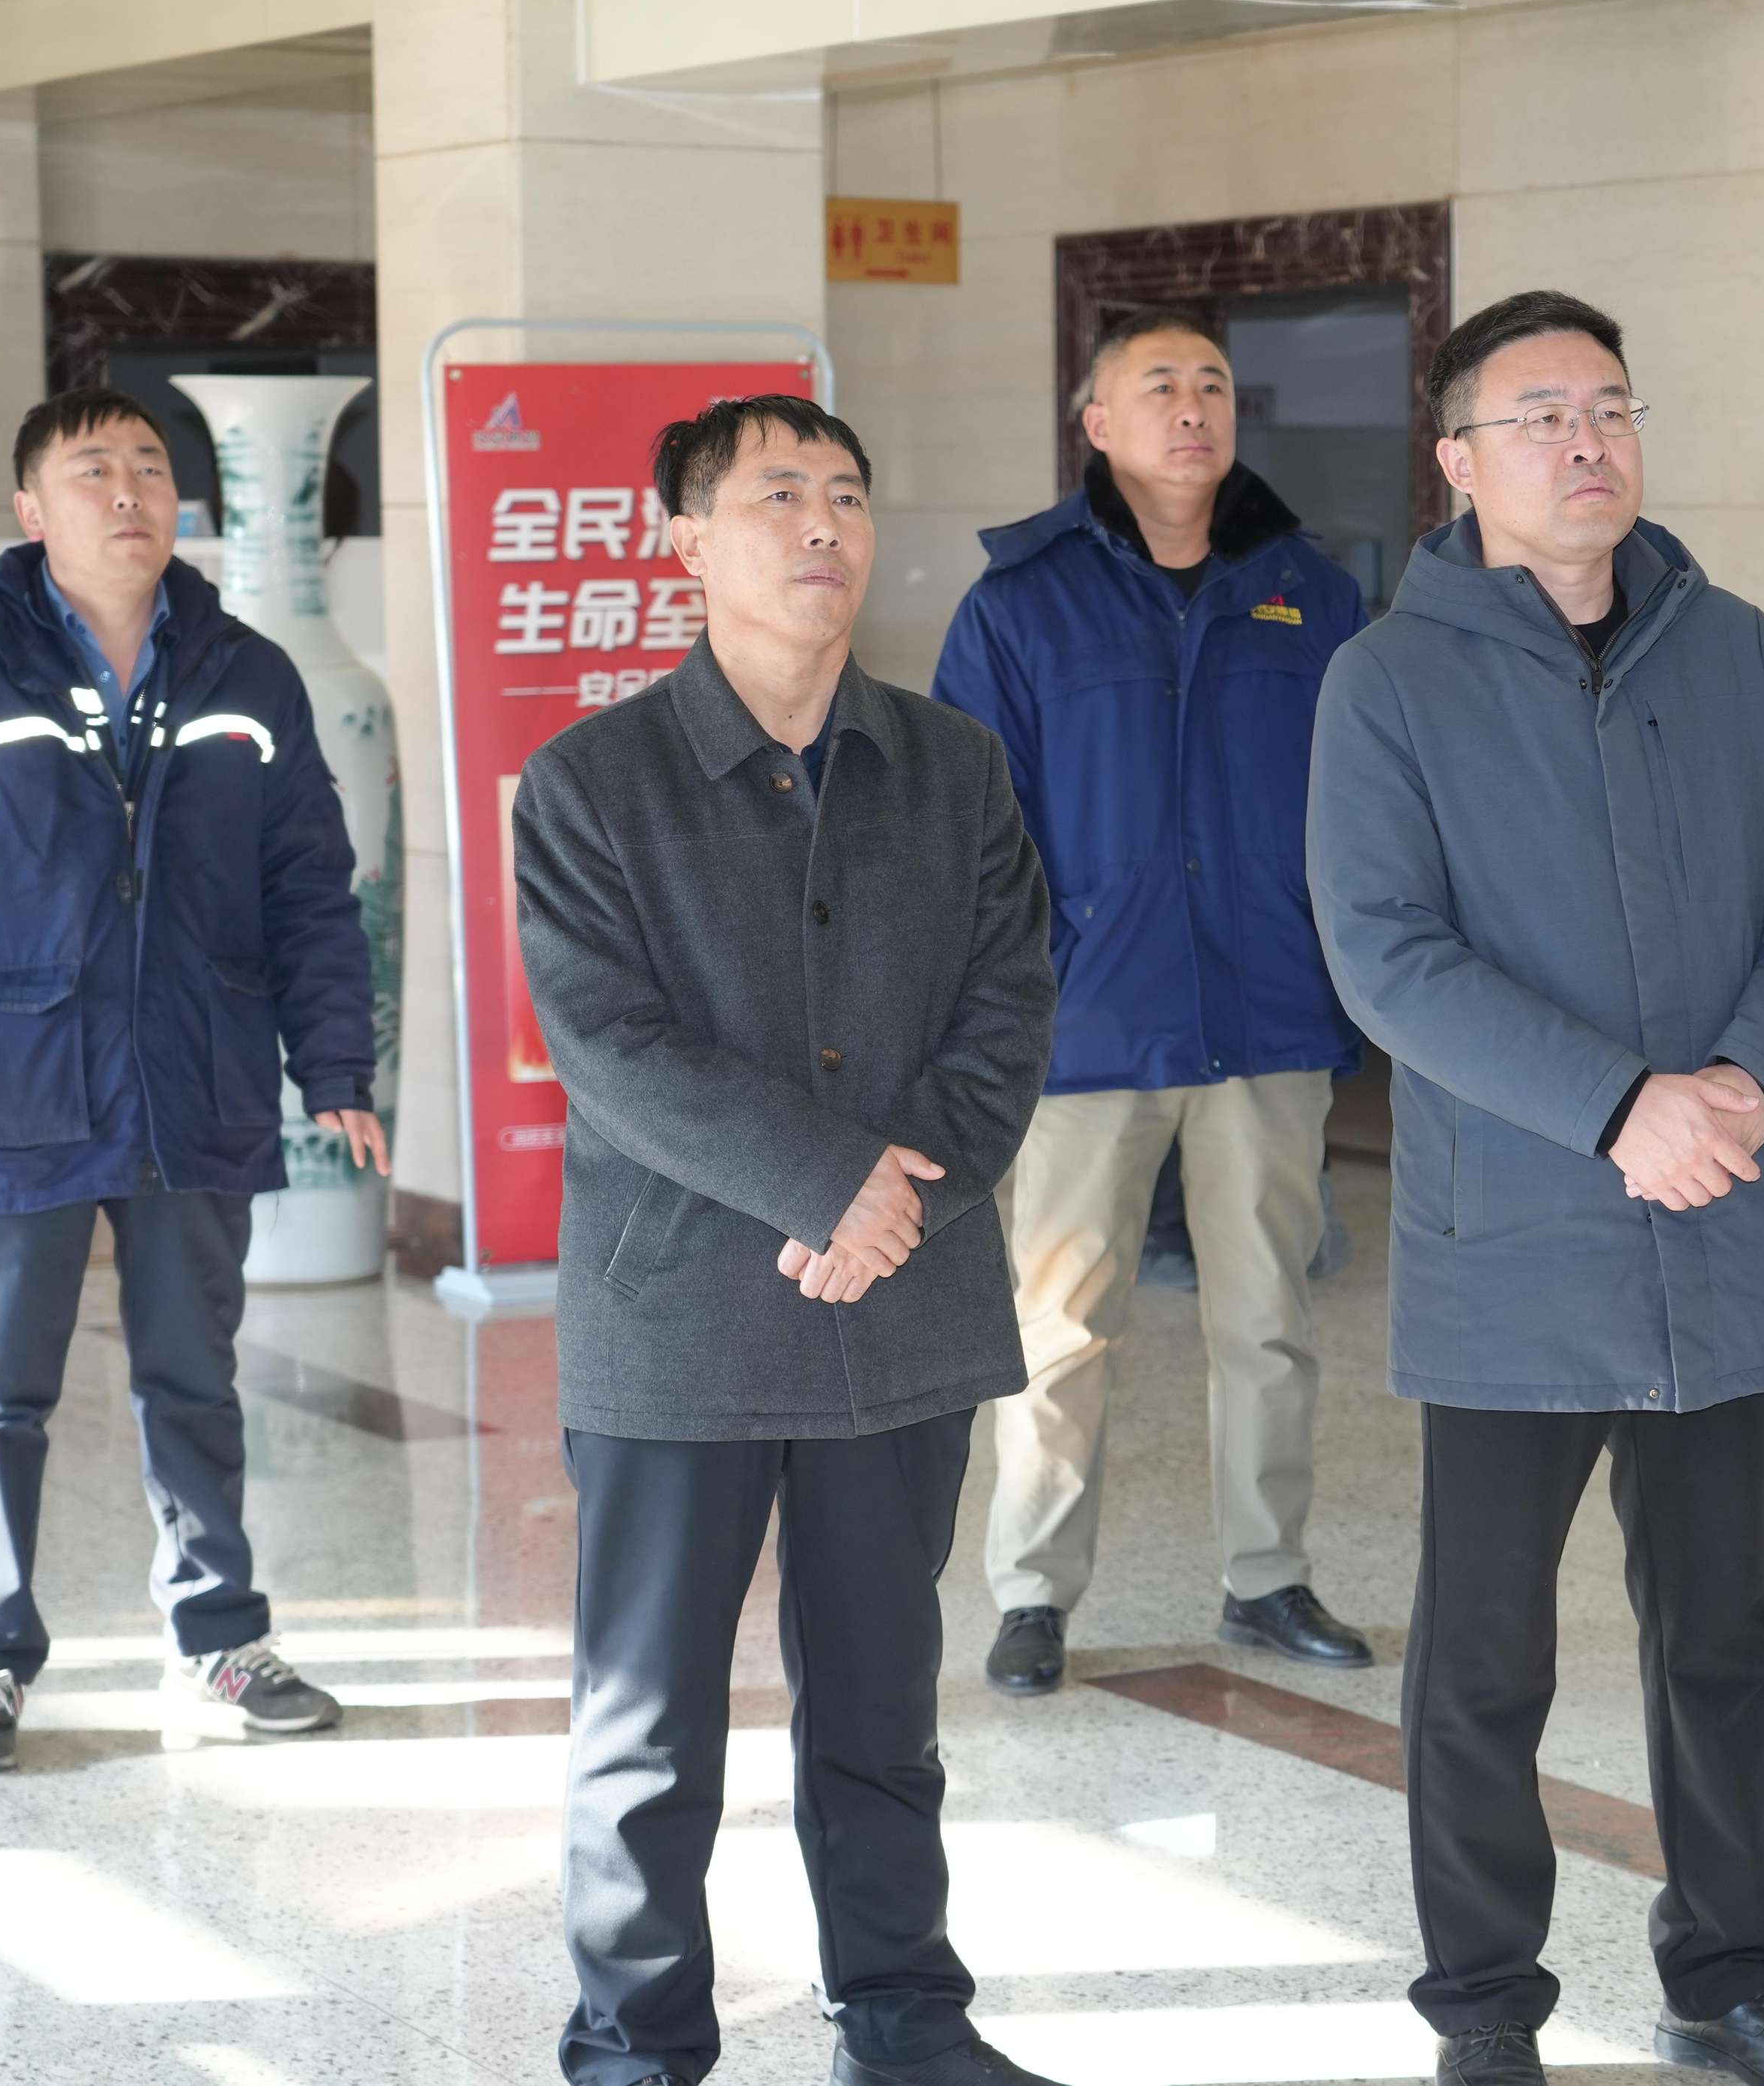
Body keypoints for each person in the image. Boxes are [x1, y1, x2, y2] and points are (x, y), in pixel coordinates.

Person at [1308, 292, 1764, 2086]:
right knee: (1486, 1653)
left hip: (1723, 1209)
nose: (1587, 441)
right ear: (1460, 461)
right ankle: (1484, 2005)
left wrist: (1747, 1083)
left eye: (1612, 406)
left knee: (1720, 1635)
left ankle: (1731, 1975)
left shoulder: (1731, 653)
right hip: (1517, 1235)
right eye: (1542, 413)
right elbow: (1385, 954)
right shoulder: (1388, 680)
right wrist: (1619, 1103)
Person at [511, 393, 1061, 2086]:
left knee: (885, 1711)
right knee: (648, 1731)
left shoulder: (954, 766)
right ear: (686, 541)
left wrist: (902, 1200)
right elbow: (610, 1045)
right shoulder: (591, 781)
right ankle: (634, 2046)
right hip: (679, 1318)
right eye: (776, 496)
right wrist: (832, 1186)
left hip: (902, 1313)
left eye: (846, 494)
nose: (822, 523)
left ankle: (904, 2021)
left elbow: (1010, 1006)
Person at [0, 385, 380, 1774]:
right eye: (93, 469)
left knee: (194, 1378)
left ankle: (219, 1639)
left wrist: (334, 1064)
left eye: (150, 466)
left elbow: (310, 885)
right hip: (16, 1079)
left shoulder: (248, 674)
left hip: (197, 1077)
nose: (130, 489)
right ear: (31, 509)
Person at [935, 304, 1372, 1695]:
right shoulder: (1022, 603)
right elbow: (970, 827)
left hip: (1267, 1014)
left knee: (1269, 1320)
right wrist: (1023, 988)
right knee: (1060, 1330)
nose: (1193, 407)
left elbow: (1365, 806)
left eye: (1214, 385)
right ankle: (1031, 1594)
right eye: (1160, 385)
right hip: (1088, 1028)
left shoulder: (1313, 593)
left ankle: (1268, 1578)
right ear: (1097, 424)